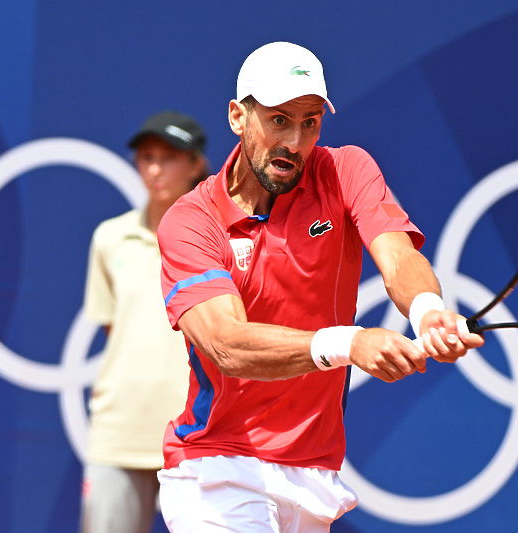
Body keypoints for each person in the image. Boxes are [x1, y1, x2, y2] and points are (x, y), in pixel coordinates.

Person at [155, 42, 484, 533]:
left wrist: (428, 312)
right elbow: (226, 343)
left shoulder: (345, 169)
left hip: (315, 471)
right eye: (279, 120)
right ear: (237, 117)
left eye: (310, 122)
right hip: (218, 471)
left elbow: (397, 257)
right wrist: (349, 342)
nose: (295, 141)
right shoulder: (190, 222)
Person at [80, 111, 211, 533]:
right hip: (119, 434)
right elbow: (112, 329)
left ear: (195, 165)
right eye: (146, 157)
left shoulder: (223, 241)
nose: (154, 169)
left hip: (201, 434)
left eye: (168, 157)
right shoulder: (109, 237)